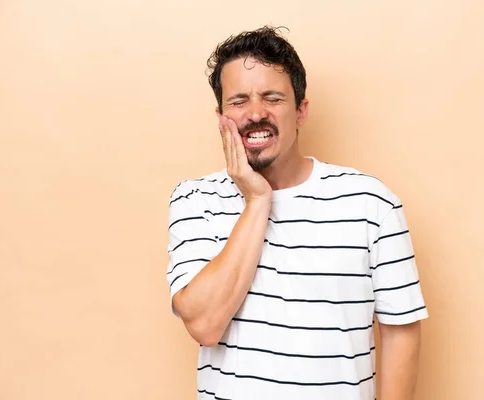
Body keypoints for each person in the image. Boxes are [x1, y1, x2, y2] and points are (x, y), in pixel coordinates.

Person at [166, 25, 428, 400]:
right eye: (238, 101)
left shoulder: (372, 203)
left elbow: (401, 330)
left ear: (301, 111)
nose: (255, 113)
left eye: (272, 97)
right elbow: (205, 324)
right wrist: (258, 202)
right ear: (221, 115)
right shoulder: (194, 200)